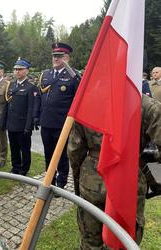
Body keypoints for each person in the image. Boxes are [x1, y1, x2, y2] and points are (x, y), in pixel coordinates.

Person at [67, 94, 161, 249]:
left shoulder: (88, 101)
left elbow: (75, 150)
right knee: (123, 241)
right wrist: (149, 156)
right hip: (128, 180)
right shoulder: (146, 104)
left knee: (91, 241)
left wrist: (78, 178)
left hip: (91, 179)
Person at [33, 42, 81, 188]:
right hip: (46, 122)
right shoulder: (45, 75)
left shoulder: (73, 76)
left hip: (62, 124)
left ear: (67, 57)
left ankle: (61, 181)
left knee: (61, 155)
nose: (56, 59)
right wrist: (36, 116)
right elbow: (39, 97)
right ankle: (50, 179)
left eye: (59, 56)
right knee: (48, 153)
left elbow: (78, 100)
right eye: (54, 56)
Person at [1, 58, 37, 175]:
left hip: (22, 125)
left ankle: (24, 169)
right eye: (15, 69)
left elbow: (31, 109)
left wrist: (28, 126)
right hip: (11, 124)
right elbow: (7, 106)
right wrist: (3, 122)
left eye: (20, 69)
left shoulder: (31, 87)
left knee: (24, 149)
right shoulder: (10, 86)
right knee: (14, 147)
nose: (17, 72)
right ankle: (15, 166)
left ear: (26, 71)